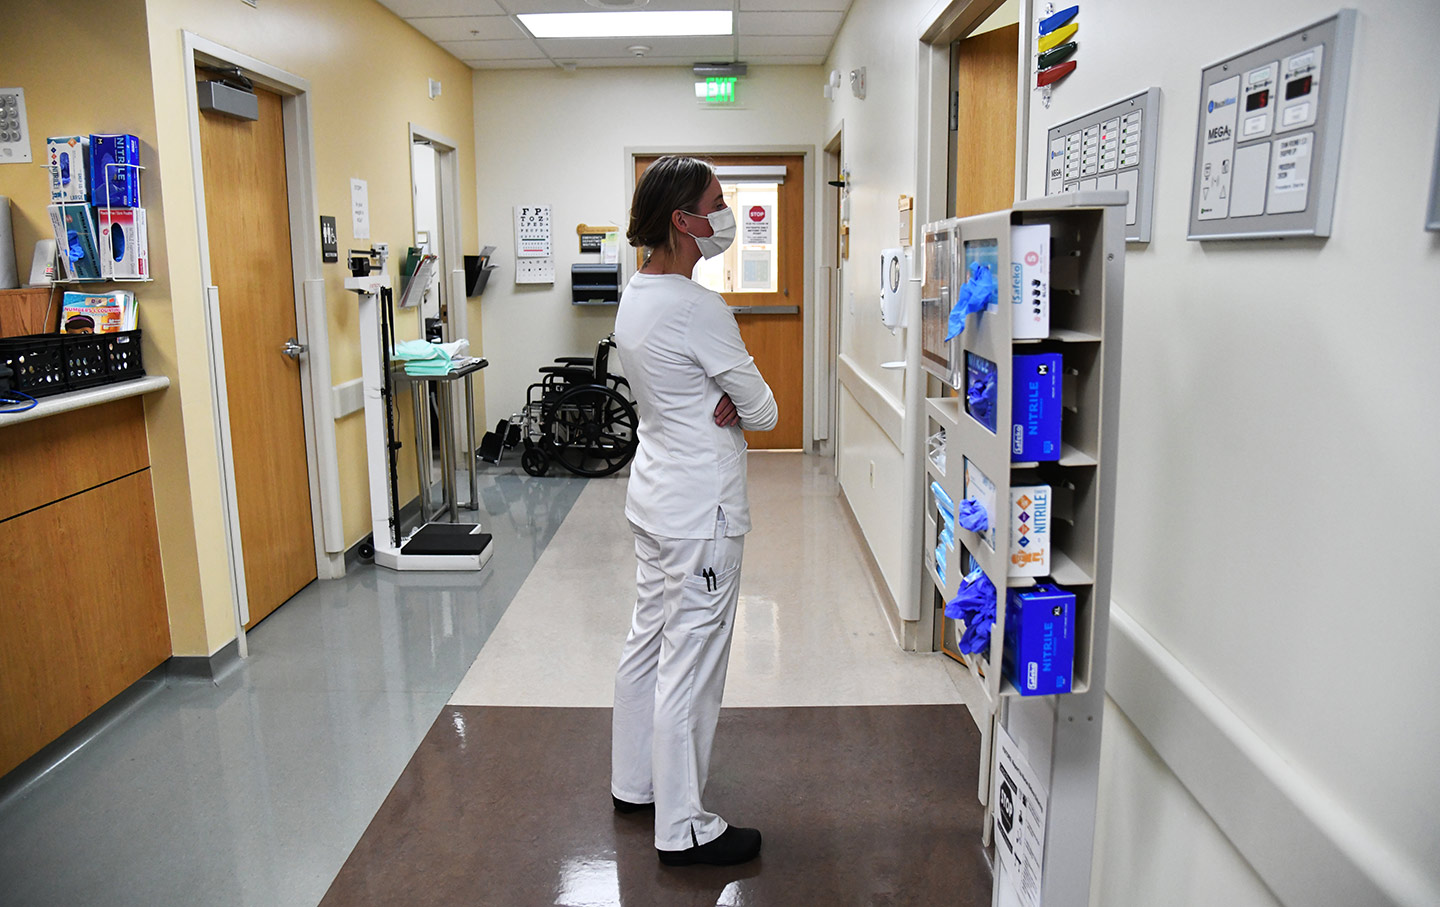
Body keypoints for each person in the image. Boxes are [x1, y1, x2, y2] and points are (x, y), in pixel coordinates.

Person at [610, 156, 778, 867]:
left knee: (648, 640)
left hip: (654, 500)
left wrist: (722, 396)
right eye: (715, 203)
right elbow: (766, 411)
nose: (724, 216)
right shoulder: (698, 307)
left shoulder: (636, 293)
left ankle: (634, 783)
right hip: (701, 516)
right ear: (683, 221)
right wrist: (732, 401)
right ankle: (683, 828)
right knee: (692, 665)